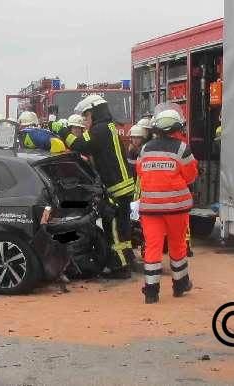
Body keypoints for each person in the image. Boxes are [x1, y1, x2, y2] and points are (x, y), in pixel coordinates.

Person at [52, 94, 136, 279]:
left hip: (116, 187)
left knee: (113, 226)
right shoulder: (109, 127)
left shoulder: (100, 130)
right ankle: (127, 259)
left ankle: (120, 268)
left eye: (86, 117)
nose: (85, 121)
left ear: (94, 113)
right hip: (123, 186)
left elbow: (80, 144)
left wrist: (63, 131)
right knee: (122, 227)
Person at [136, 104, 199, 304]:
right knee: (177, 245)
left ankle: (151, 292)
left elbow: (139, 172)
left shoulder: (144, 149)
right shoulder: (182, 148)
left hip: (150, 209)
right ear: (177, 127)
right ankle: (180, 285)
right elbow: (191, 175)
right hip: (176, 209)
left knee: (153, 247)